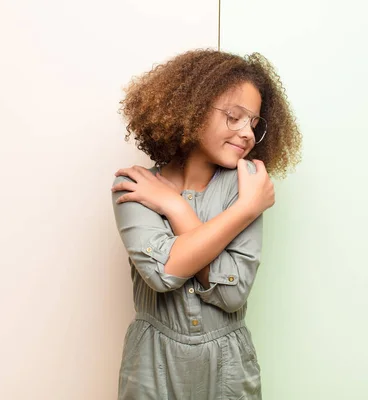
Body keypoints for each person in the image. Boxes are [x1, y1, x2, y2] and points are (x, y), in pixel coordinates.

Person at [111, 49, 301, 399]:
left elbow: (231, 293)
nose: (246, 133)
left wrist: (173, 205)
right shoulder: (135, 186)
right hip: (151, 367)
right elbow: (164, 272)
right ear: (192, 107)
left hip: (228, 368)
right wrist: (243, 211)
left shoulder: (246, 187)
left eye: (254, 124)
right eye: (234, 117)